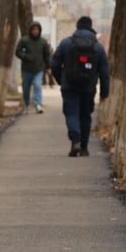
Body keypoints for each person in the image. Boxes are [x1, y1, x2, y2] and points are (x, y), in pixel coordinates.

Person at [51, 16, 111, 157]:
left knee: (71, 113)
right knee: (85, 115)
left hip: (69, 87)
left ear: (77, 27)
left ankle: (75, 141)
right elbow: (105, 73)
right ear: (91, 28)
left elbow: (54, 64)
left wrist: (61, 80)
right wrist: (104, 93)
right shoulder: (98, 47)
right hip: (88, 88)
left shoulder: (66, 43)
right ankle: (84, 147)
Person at [14, 22, 53, 113]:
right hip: (26, 69)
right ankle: (27, 104)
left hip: (39, 69)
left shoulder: (43, 42)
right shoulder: (24, 40)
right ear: (30, 30)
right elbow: (18, 52)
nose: (35, 31)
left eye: (37, 29)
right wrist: (26, 56)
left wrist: (48, 67)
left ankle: (38, 105)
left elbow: (47, 55)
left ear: (40, 31)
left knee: (37, 85)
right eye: (34, 29)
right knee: (26, 88)